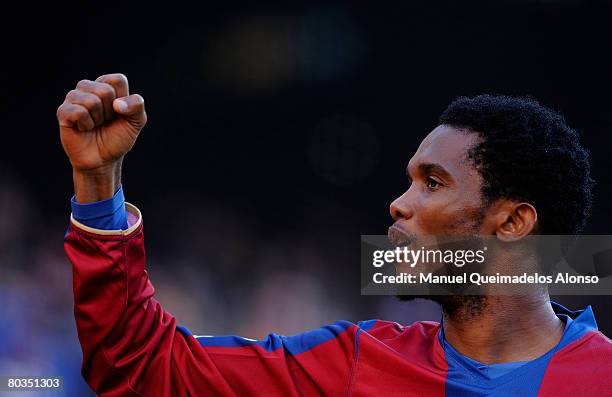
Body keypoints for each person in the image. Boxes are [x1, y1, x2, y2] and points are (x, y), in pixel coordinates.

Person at [58, 73, 612, 396]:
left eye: (433, 183)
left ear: (513, 223)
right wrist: (97, 181)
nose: (398, 205)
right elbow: (144, 368)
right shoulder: (349, 364)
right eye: (409, 181)